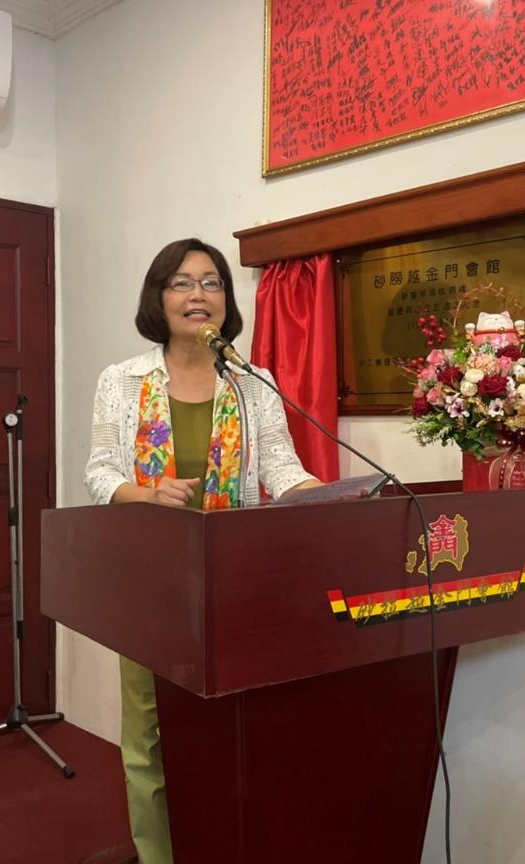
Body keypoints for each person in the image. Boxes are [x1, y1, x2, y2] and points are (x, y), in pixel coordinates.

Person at [85, 238, 321, 863]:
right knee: (150, 734)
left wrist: (324, 494)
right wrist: (145, 490)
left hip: (233, 579)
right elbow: (99, 472)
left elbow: (281, 465)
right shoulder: (123, 381)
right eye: (182, 283)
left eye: (212, 283)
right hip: (150, 582)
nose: (198, 295)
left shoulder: (253, 381)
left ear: (226, 299)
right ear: (158, 299)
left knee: (230, 726)